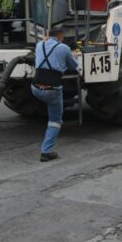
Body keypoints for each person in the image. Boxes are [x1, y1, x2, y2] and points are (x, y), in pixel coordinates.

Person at [31, 28, 78, 162]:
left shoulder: (39, 45)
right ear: (60, 36)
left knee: (47, 101)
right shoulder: (63, 48)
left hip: (35, 88)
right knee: (55, 121)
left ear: (47, 36)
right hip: (52, 90)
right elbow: (73, 66)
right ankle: (46, 151)